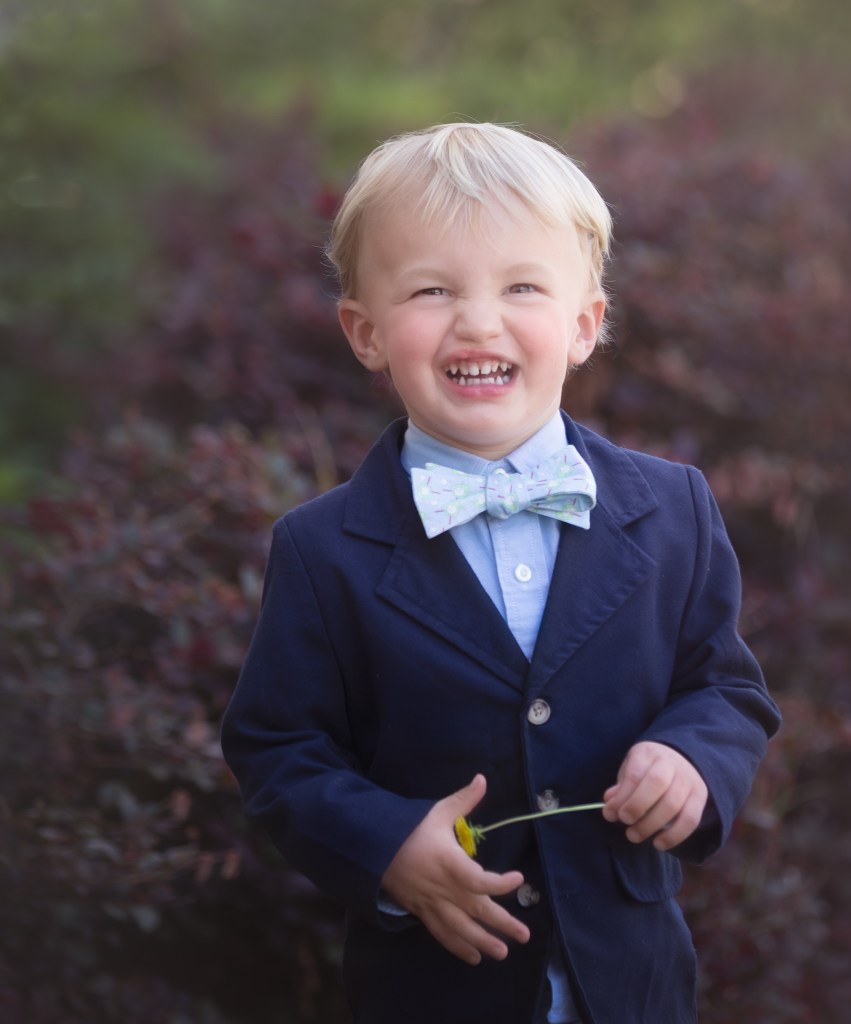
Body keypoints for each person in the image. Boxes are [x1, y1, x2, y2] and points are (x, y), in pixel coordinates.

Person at [221, 122, 781, 1024]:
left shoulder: (673, 508)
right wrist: (388, 844)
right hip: (435, 992)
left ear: (584, 324)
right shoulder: (322, 550)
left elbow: (724, 686)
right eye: (432, 290)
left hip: (632, 987)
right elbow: (278, 751)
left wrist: (693, 757)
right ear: (365, 333)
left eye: (522, 286)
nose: (479, 320)